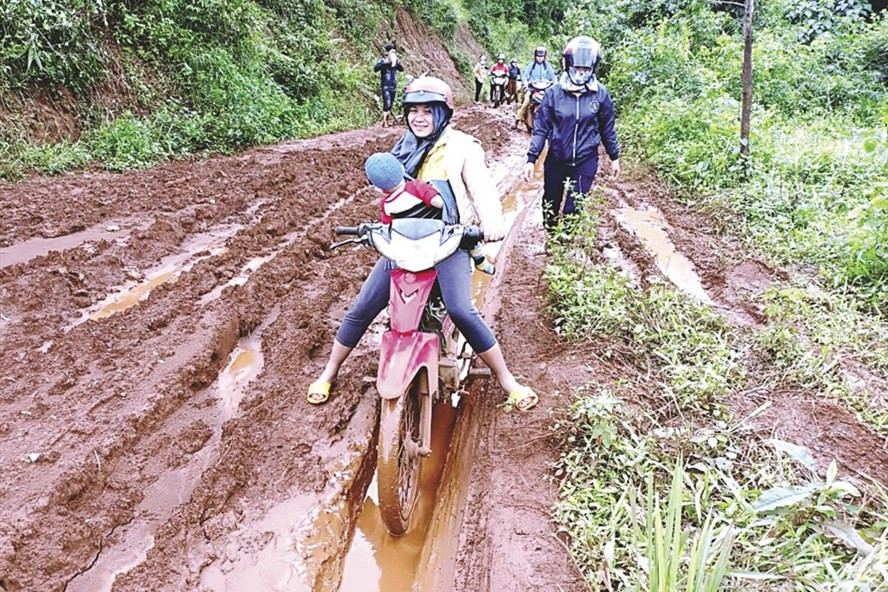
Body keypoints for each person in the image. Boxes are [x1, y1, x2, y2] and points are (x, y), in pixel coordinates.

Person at [308, 76, 537, 411]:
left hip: (449, 242)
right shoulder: (401, 150)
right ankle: (329, 371)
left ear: (442, 113)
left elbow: (483, 190)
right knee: (362, 307)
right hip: (404, 244)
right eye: (413, 111)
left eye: (427, 111)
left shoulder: (462, 147)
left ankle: (507, 379)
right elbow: (391, 198)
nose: (419, 118)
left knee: (461, 309)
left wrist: (491, 223)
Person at [522, 36, 621, 230]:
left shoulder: (600, 94)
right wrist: (531, 158)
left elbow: (607, 127)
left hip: (585, 159)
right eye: (577, 68)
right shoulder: (554, 94)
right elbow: (541, 129)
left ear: (593, 68)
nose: (581, 73)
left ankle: (566, 243)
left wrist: (614, 156)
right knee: (550, 202)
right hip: (557, 158)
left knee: (574, 208)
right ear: (567, 65)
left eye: (585, 69)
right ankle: (551, 236)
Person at [363, 152, 495, 274]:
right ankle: (480, 260)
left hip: (409, 243)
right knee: (469, 235)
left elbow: (388, 228)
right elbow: (440, 203)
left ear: (379, 188)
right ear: (402, 170)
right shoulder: (416, 187)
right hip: (435, 236)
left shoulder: (386, 205)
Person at [513, 46, 557, 130]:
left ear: (544, 57)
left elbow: (553, 76)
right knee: (526, 103)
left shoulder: (547, 66)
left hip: (544, 89)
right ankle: (517, 121)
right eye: (538, 56)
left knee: (553, 103)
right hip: (532, 88)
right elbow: (525, 75)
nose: (540, 58)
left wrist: (555, 83)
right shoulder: (531, 65)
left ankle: (554, 124)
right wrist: (525, 82)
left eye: (541, 56)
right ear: (535, 56)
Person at [374, 42, 404, 127]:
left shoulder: (395, 62)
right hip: (385, 84)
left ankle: (387, 120)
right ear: (388, 52)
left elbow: (401, 69)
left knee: (390, 104)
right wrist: (385, 63)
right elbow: (376, 68)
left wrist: (397, 62)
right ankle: (385, 122)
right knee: (386, 103)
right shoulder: (383, 61)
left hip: (393, 84)